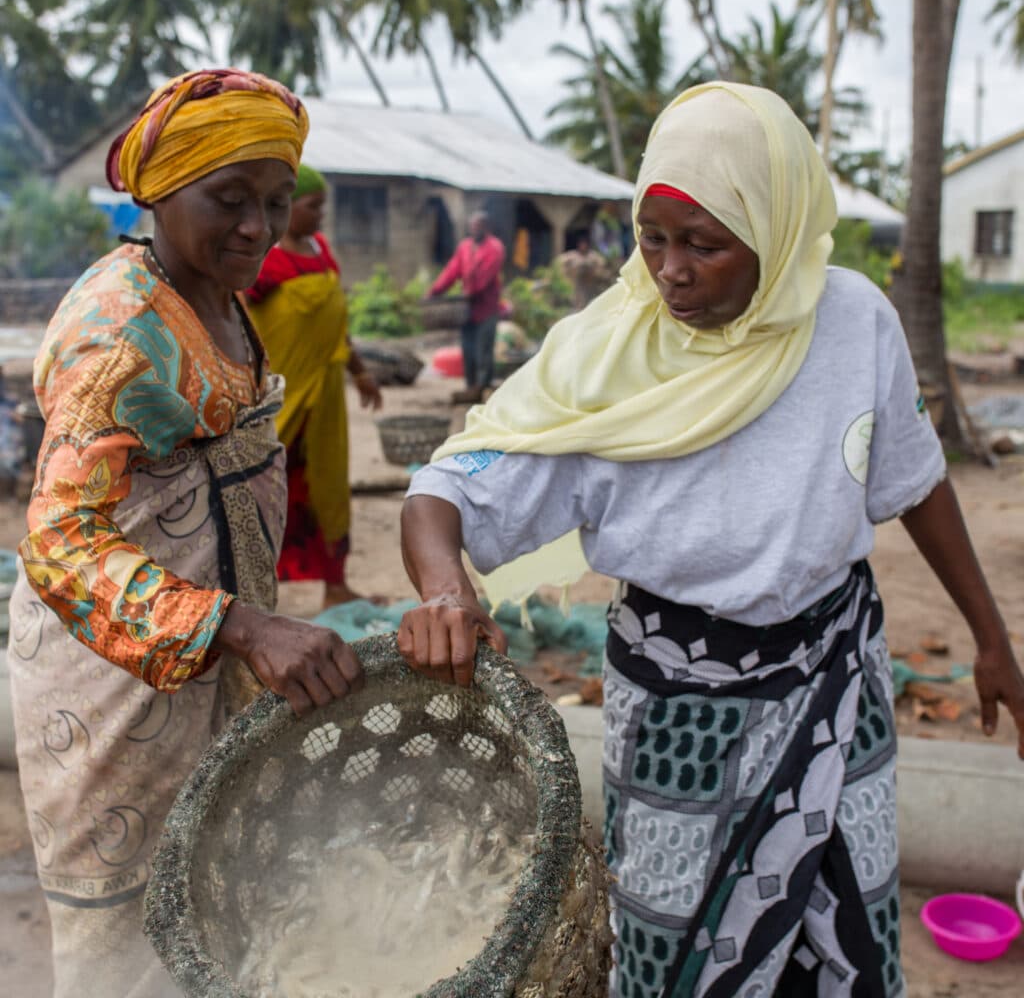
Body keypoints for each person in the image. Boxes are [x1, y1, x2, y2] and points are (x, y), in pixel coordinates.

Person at [395, 82, 1024, 997]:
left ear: (774, 232)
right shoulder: (605, 362)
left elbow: (914, 480)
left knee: (845, 934)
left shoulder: (852, 323)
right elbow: (443, 489)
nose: (671, 271)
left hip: (838, 673)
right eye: (652, 239)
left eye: (704, 244)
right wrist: (446, 592)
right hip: (681, 710)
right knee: (678, 954)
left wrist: (992, 637)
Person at [7, 69, 365, 998]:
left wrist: (245, 635)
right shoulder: (121, 331)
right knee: (127, 947)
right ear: (159, 192)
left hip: (216, 662)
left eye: (278, 202)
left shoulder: (212, 288)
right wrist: (244, 628)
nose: (259, 227)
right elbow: (60, 542)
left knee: (210, 916)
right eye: (230, 200)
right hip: (117, 693)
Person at [247, 163, 383, 607]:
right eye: (313, 206)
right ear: (283, 207)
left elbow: (336, 323)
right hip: (278, 401)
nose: (321, 215)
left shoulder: (321, 250)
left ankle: (336, 586)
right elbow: (232, 321)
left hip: (324, 401)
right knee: (261, 491)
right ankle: (251, 593)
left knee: (329, 488)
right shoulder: (264, 262)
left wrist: (360, 371)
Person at [427, 209, 506, 404]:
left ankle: (483, 389)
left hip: (486, 309)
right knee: (468, 350)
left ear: (486, 227)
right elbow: (451, 271)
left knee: (483, 351)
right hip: (467, 312)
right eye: (472, 226)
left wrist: (470, 292)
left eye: (478, 226)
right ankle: (471, 388)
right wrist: (435, 292)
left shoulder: (494, 248)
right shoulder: (465, 247)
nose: (474, 230)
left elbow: (486, 276)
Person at [557, 231, 612, 310]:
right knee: (576, 305)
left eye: (584, 244)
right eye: (581, 244)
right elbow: (559, 262)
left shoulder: (592, 256)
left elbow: (602, 266)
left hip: (590, 286)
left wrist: (595, 271)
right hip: (576, 286)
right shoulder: (573, 255)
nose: (583, 246)